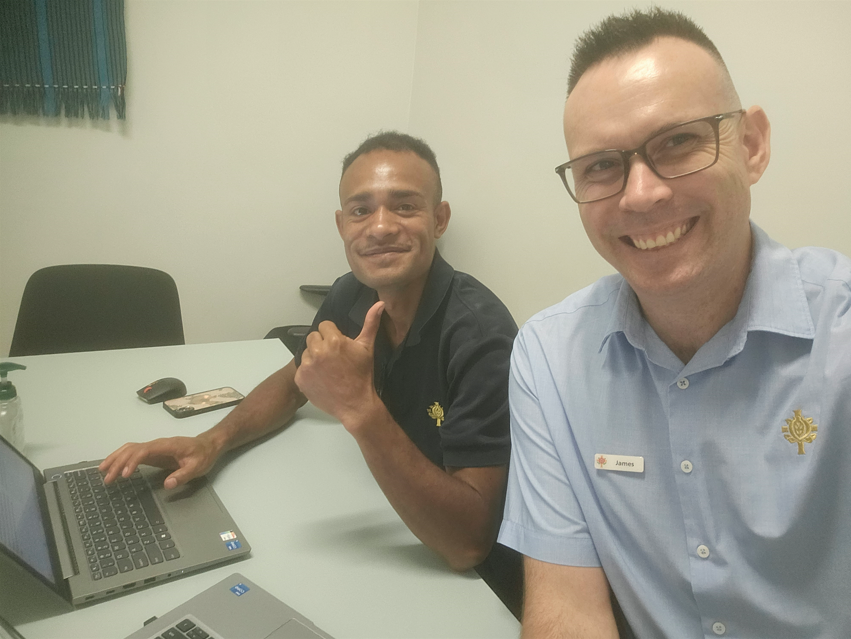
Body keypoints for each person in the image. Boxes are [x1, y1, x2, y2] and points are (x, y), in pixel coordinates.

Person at [498, 7, 851, 638]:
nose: (641, 195)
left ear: (752, 145)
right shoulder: (549, 360)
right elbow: (569, 612)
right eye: (601, 165)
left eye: (678, 142)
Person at [100, 131, 522, 617]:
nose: (380, 227)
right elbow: (292, 381)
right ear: (342, 225)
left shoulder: (481, 336)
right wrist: (211, 442)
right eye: (361, 211)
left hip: (473, 587)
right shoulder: (353, 292)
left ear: (440, 218)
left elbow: (467, 545)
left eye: (404, 206)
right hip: (387, 507)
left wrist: (359, 409)